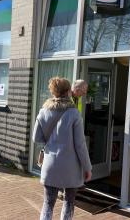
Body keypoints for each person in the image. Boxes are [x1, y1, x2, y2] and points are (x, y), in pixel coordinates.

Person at [33, 77, 92, 220]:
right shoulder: (74, 113)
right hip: (70, 167)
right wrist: (87, 167)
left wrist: (52, 141)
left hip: (50, 165)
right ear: (68, 92)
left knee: (48, 203)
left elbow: (37, 138)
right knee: (69, 203)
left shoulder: (43, 111)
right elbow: (80, 144)